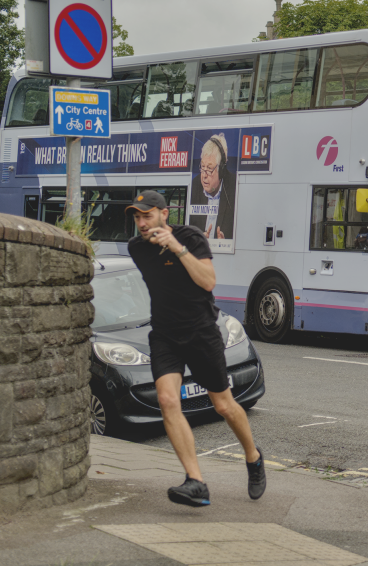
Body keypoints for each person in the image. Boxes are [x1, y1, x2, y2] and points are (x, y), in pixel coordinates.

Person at [126, 190, 265, 506]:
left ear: (164, 214)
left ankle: (253, 457)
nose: (141, 223)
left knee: (224, 406)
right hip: (164, 335)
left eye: (147, 215)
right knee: (166, 399)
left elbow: (208, 282)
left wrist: (177, 248)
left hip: (201, 332)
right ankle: (196, 481)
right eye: (137, 217)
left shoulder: (190, 237)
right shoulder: (137, 248)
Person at [189, 133, 236, 240]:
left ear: (222, 170)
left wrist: (225, 242)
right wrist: (199, 240)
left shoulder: (235, 188)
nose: (204, 175)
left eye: (209, 168)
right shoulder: (195, 186)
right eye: (202, 167)